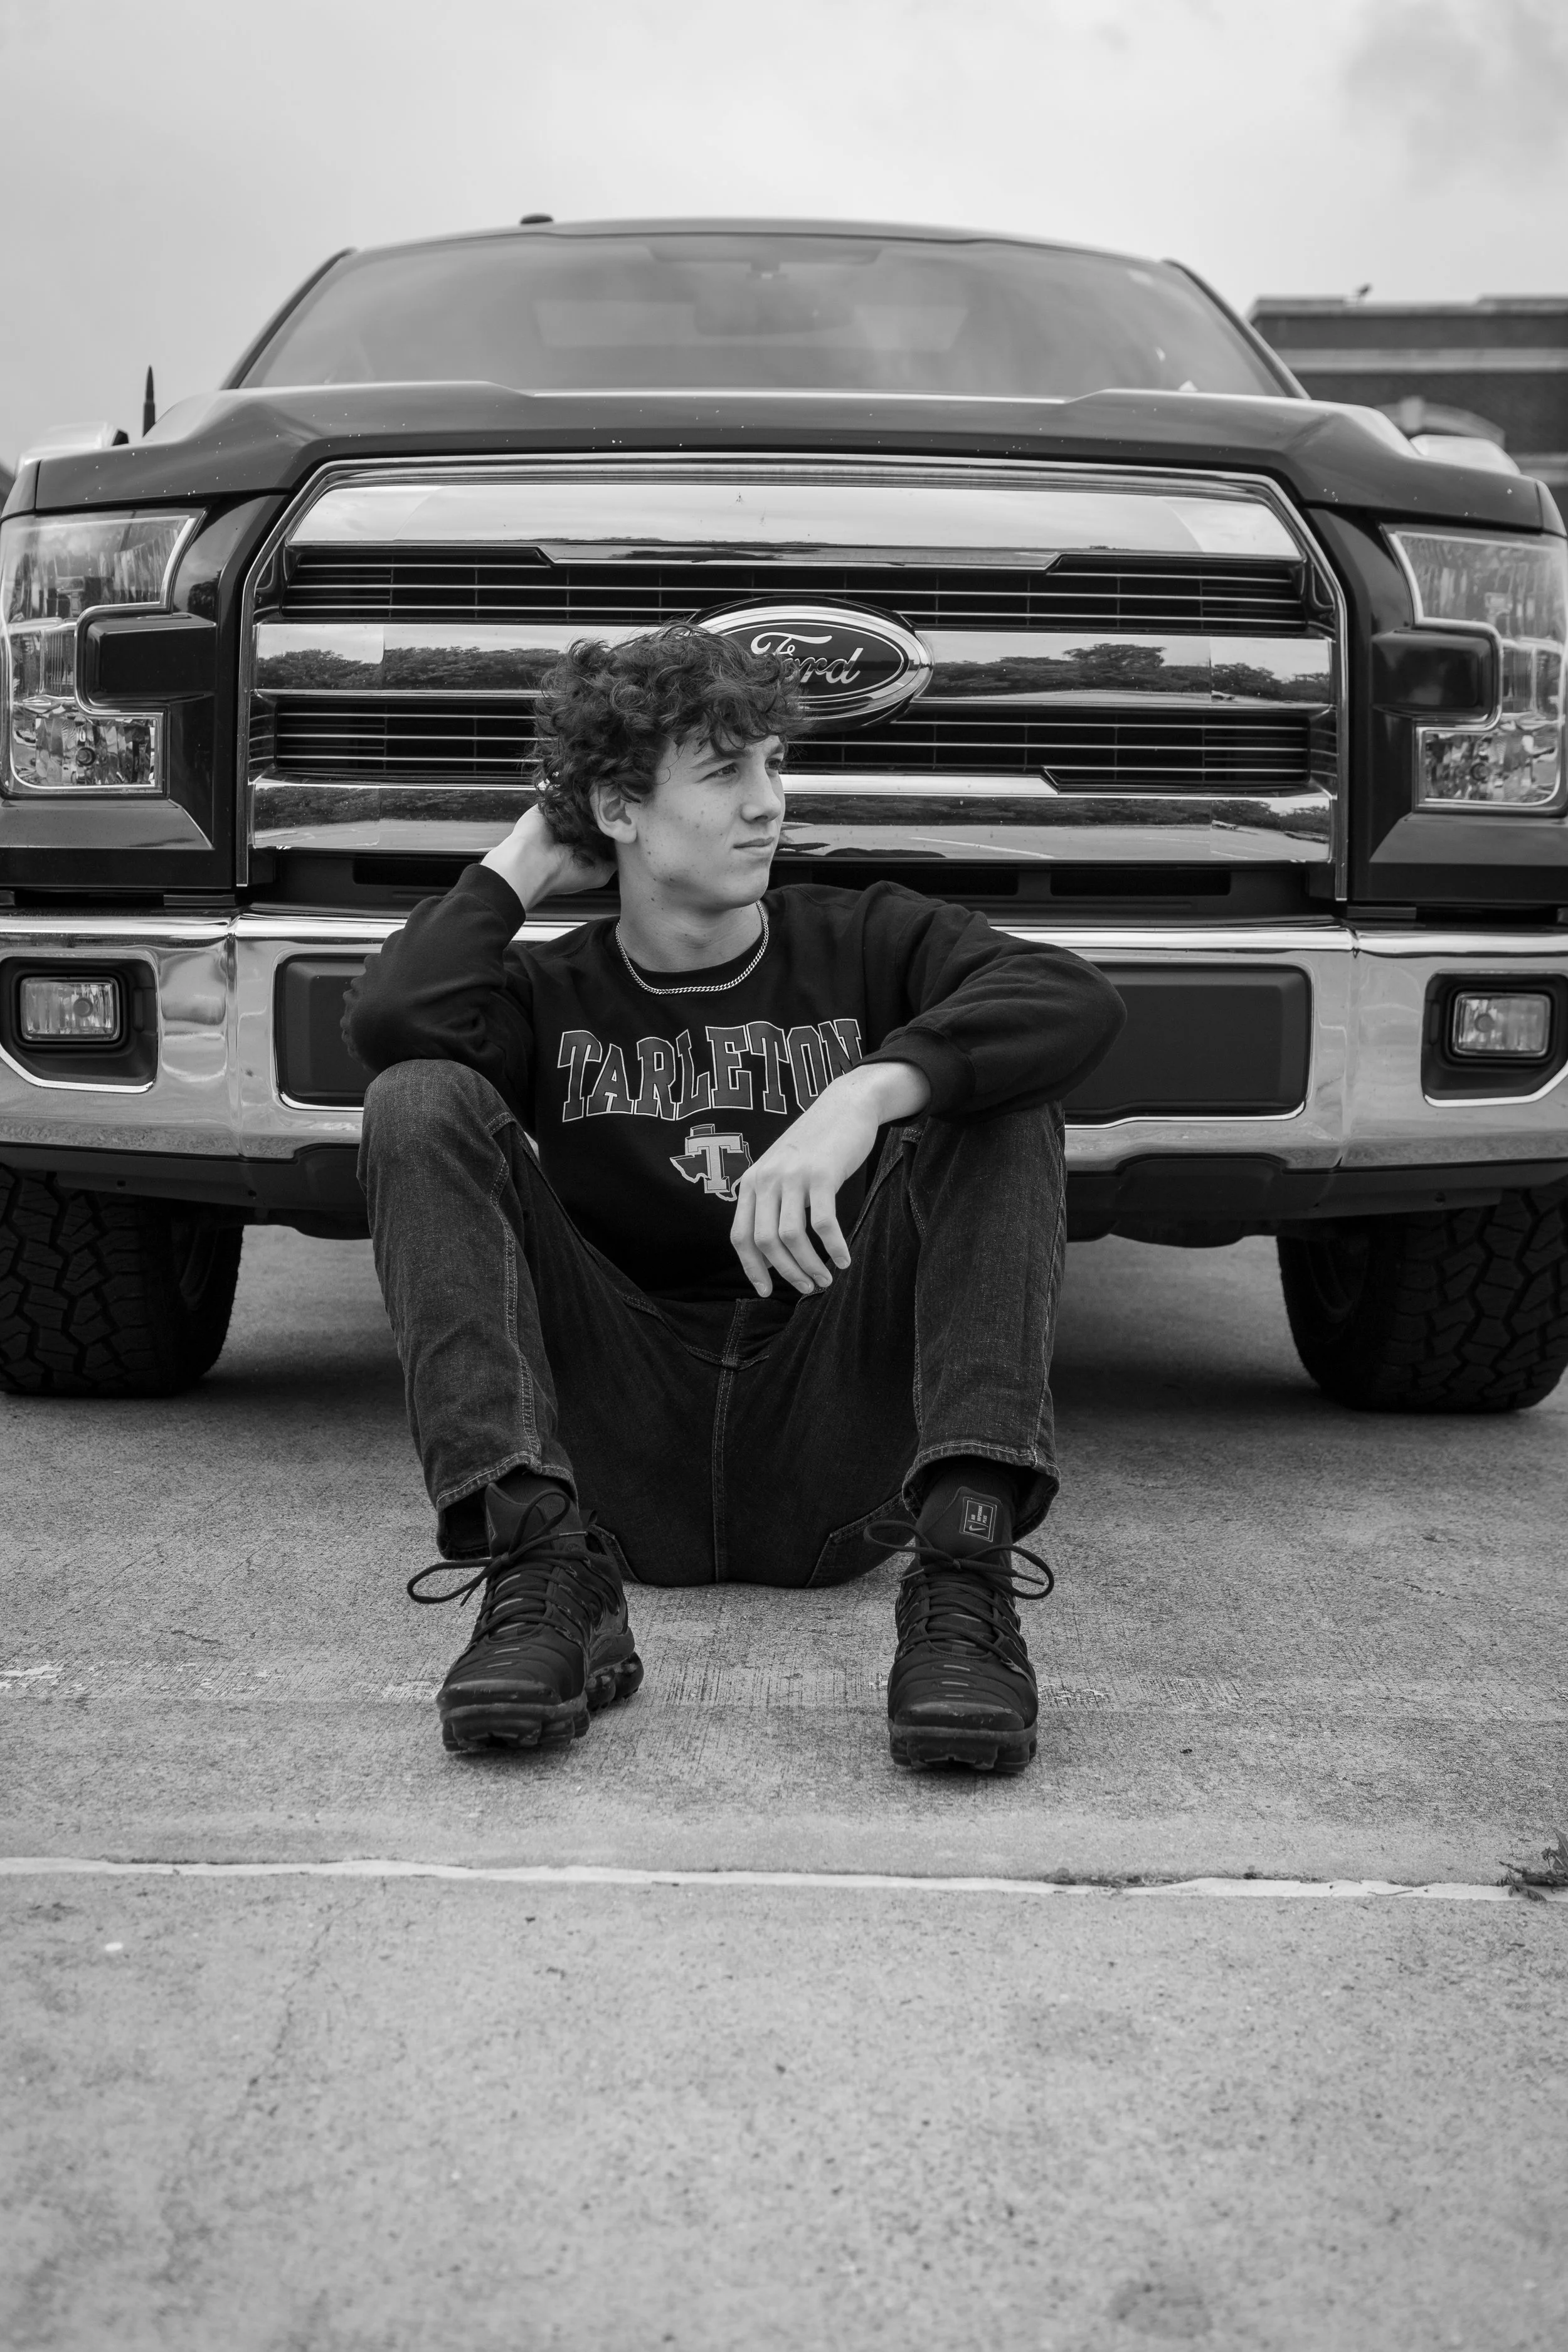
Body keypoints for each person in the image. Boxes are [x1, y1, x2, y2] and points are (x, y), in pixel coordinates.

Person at [346, 628, 1124, 1773]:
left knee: (1000, 1095)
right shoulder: (546, 991)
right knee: (417, 1100)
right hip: (616, 1458)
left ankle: (963, 1585)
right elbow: (389, 1024)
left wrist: (867, 1092)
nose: (769, 806)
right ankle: (542, 1571)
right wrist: (521, 859)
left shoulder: (864, 940)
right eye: (724, 774)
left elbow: (1074, 1000)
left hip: (833, 1428)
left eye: (772, 767)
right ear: (617, 810)